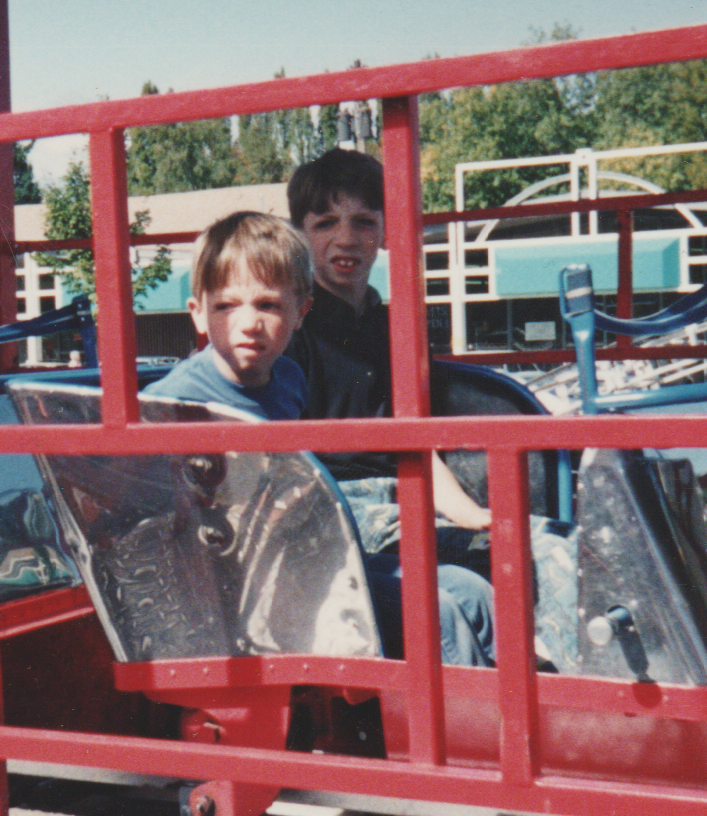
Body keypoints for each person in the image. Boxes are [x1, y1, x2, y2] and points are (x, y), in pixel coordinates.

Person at [145, 211, 494, 666]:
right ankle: (466, 731)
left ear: (300, 313)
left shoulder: (288, 377)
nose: (248, 323)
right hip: (242, 585)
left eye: (268, 305)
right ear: (198, 313)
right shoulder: (173, 400)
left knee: (471, 591)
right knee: (436, 612)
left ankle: (526, 710)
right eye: (226, 306)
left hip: (301, 556)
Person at [285, 149, 577, 670]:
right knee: (528, 557)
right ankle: (557, 692)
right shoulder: (291, 328)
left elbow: (413, 441)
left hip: (406, 491)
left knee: (549, 539)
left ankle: (576, 682)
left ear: (385, 231)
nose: (346, 238)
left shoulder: (389, 325)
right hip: (339, 504)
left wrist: (470, 513)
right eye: (325, 223)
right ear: (300, 233)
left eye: (363, 221)